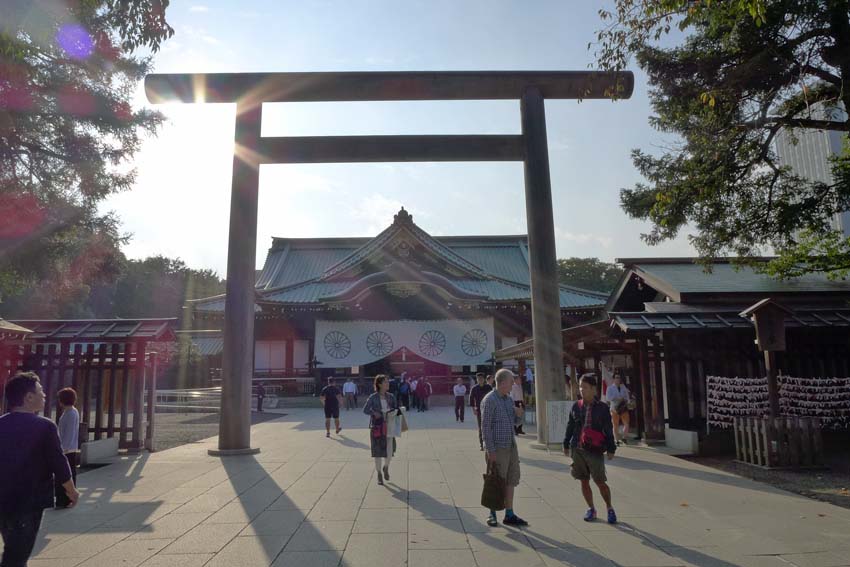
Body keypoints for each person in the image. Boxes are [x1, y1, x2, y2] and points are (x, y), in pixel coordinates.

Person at [1, 372, 79, 566]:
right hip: (29, 500)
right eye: (41, 390)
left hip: (3, 498)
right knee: (16, 555)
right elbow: (59, 463)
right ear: (28, 397)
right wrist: (71, 491)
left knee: (14, 548)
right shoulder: (44, 427)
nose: (45, 395)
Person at [563, 374, 617, 524]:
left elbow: (608, 428)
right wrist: (566, 443)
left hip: (594, 450)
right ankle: (591, 508)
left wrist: (611, 448)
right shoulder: (576, 406)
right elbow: (570, 426)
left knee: (600, 481)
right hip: (578, 449)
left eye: (585, 387)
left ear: (593, 389)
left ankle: (609, 508)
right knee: (583, 480)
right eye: (580, 387)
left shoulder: (602, 408)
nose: (582, 390)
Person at [480, 369, 528, 527]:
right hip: (497, 448)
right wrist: (490, 449)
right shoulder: (490, 400)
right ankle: (492, 513)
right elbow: (485, 427)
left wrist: (520, 414)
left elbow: (513, 421)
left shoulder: (508, 399)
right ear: (501, 383)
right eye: (511, 382)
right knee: (496, 480)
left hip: (510, 445)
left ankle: (509, 513)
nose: (513, 385)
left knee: (511, 479)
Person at [363, 375, 398, 485]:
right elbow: (365, 410)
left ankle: (386, 467)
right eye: (385, 382)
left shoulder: (391, 396)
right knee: (377, 452)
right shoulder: (373, 397)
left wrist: (397, 412)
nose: (388, 384)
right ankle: (379, 474)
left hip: (389, 426)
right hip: (377, 427)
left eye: (388, 382)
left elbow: (396, 409)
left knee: (389, 451)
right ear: (379, 384)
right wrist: (374, 413)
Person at [54, 388, 80, 509]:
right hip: (69, 448)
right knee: (67, 474)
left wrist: (62, 449)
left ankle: (66, 500)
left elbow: (68, 434)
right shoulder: (71, 412)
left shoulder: (70, 414)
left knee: (65, 475)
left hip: (67, 449)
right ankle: (63, 499)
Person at [605, 373, 631, 446]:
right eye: (616, 377)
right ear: (613, 379)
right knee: (615, 425)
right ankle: (616, 440)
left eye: (619, 377)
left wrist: (626, 400)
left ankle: (624, 437)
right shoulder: (610, 388)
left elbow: (627, 396)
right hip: (614, 408)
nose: (618, 379)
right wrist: (616, 398)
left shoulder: (623, 387)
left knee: (626, 423)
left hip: (623, 407)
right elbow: (608, 398)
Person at [470, 372, 492, 451]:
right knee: (481, 427)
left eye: (481, 379)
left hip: (489, 409)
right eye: (478, 379)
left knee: (490, 426)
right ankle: (482, 444)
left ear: (484, 379)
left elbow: (493, 397)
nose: (480, 380)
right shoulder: (474, 388)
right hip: (479, 410)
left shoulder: (488, 387)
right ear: (477, 380)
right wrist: (473, 409)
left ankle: (489, 443)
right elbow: (471, 399)